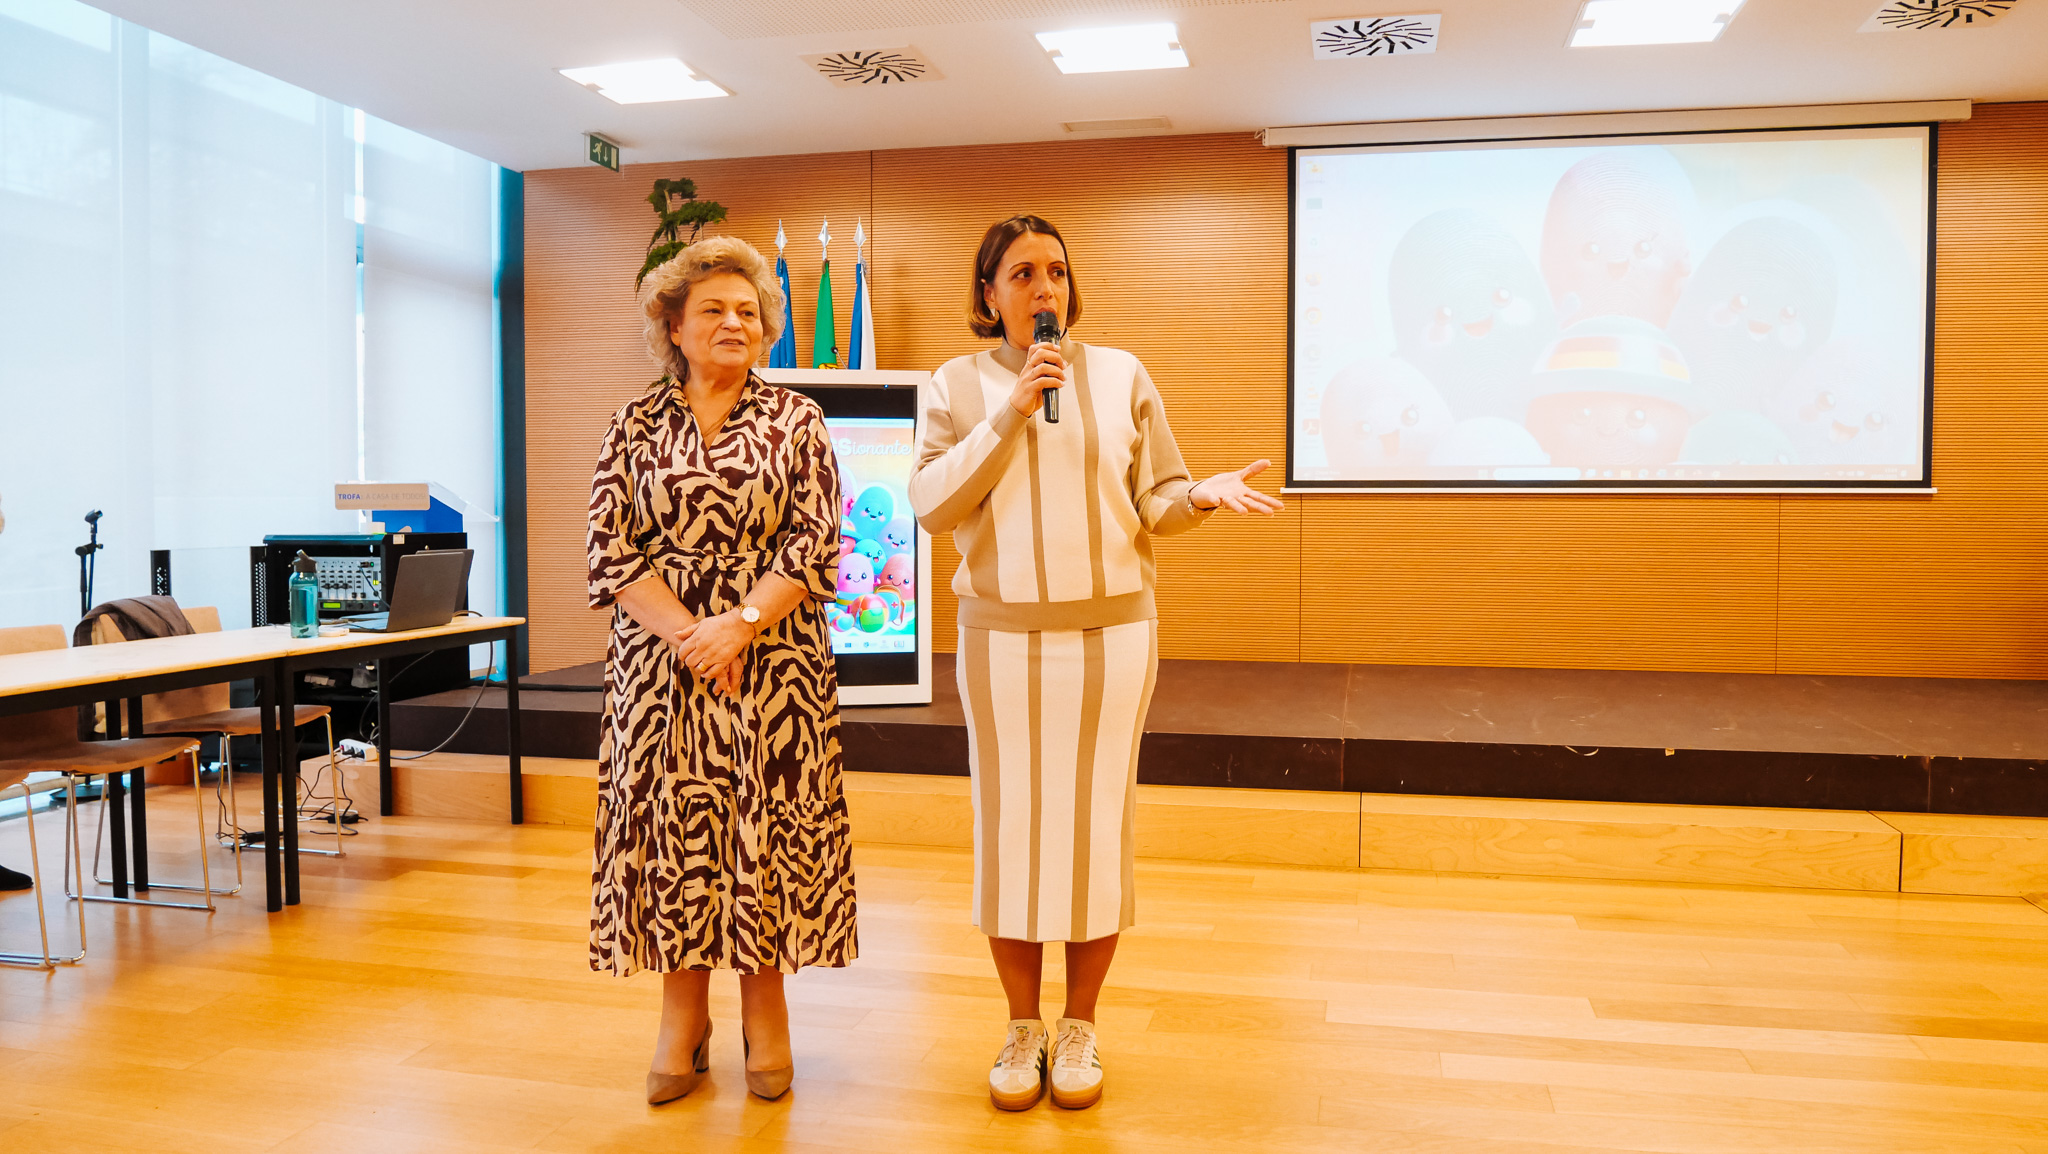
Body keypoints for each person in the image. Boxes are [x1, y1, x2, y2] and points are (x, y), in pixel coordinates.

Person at [908, 215, 1283, 1111]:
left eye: (1058, 271)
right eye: (1023, 273)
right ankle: (1021, 1026)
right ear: (989, 293)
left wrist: (1200, 495)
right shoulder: (955, 384)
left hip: (1114, 639)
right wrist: (1010, 410)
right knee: (1011, 831)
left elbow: (1157, 498)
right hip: (1000, 643)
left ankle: (1078, 1026)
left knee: (1094, 832)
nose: (1046, 288)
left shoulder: (1120, 374)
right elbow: (929, 502)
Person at [585, 236, 855, 1106]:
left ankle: (766, 1012)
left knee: (766, 832)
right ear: (674, 326)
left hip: (773, 661)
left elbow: (815, 541)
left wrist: (736, 627)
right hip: (661, 668)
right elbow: (609, 549)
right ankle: (683, 1017)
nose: (734, 322)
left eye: (748, 311)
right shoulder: (632, 423)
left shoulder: (797, 420)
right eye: (713, 309)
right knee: (674, 836)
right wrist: (691, 637)